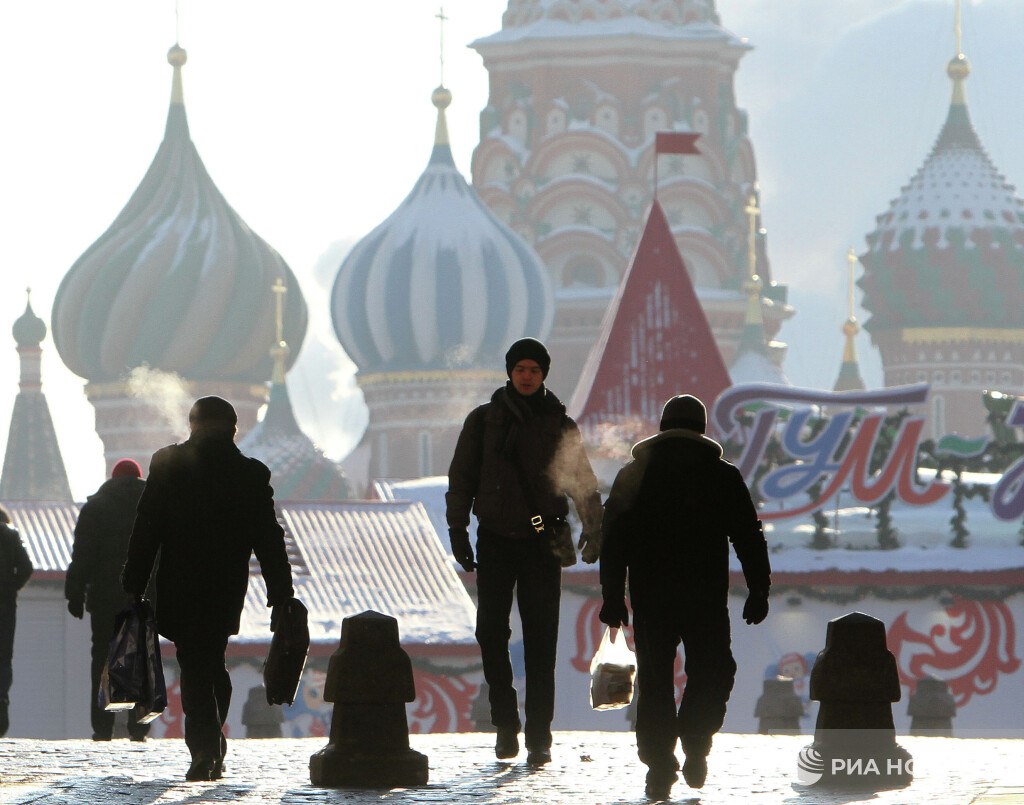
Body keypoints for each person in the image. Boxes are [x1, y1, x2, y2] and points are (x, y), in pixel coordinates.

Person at [599, 394, 771, 799]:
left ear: (662, 428)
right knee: (713, 672)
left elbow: (613, 542)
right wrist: (758, 589)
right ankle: (696, 740)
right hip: (705, 600)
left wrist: (612, 598)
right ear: (702, 430)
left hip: (651, 598)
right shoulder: (721, 475)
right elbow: (749, 536)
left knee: (656, 682)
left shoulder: (634, 474)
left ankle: (659, 767)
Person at [446, 337, 603, 765]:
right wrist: (457, 530)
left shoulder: (560, 426)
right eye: (521, 369)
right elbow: (461, 479)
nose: (527, 376)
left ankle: (538, 735)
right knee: (490, 634)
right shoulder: (483, 422)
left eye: (534, 370)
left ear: (543, 375)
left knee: (541, 642)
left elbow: (582, 482)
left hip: (542, 543)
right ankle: (504, 723)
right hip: (494, 538)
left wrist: (594, 527)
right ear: (510, 373)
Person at [121, 396, 293, 781]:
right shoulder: (249, 473)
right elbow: (270, 538)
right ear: (233, 429)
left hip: (180, 585)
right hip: (225, 587)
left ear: (193, 426)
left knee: (196, 663)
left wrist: (134, 581)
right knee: (211, 659)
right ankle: (211, 744)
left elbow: (146, 527)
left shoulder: (168, 464)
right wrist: (281, 591)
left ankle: (205, 749)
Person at [65, 458, 151, 742]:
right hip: (141, 595)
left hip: (104, 597)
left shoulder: (97, 507)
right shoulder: (151, 504)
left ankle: (103, 726)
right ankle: (138, 726)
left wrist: (74, 593)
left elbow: (83, 555)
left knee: (102, 657)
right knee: (138, 656)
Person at [0, 504, 33, 737]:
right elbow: (26, 567)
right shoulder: (10, 535)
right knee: (3, 657)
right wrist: (11, 588)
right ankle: (1, 705)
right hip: (4, 606)